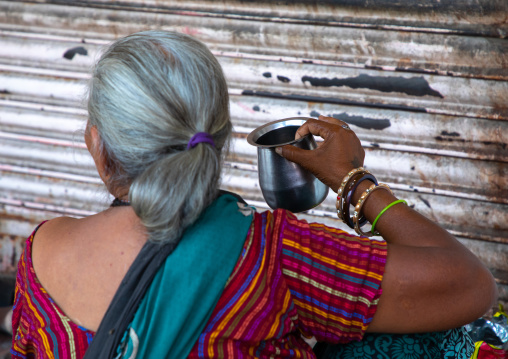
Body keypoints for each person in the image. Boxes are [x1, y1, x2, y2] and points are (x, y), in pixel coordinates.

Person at [10, 30, 497, 359]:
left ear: (98, 144)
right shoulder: (271, 254)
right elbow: (470, 286)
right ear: (219, 138)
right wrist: (351, 180)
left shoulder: (40, 255)